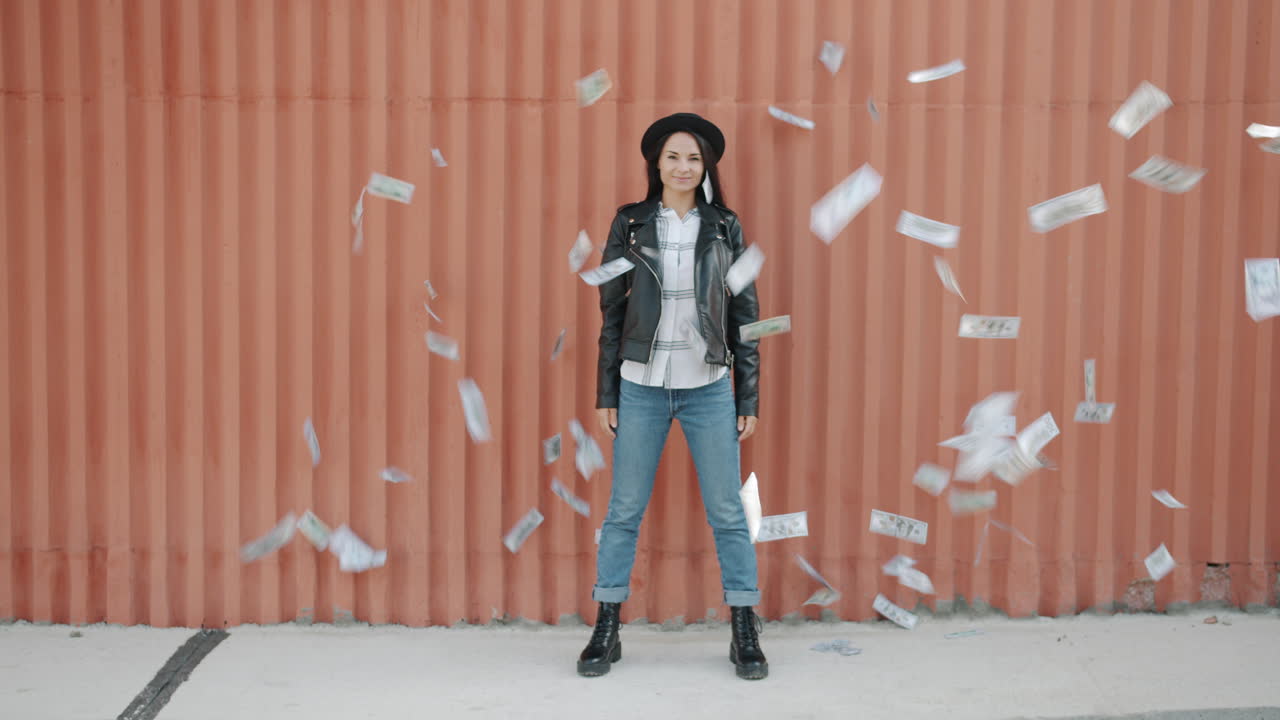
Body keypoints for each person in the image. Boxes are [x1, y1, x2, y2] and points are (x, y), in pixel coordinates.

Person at [577, 113, 766, 680]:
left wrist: (746, 398)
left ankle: (743, 627)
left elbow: (745, 315)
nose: (683, 167)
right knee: (624, 512)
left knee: (729, 513)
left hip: (708, 387)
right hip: (641, 387)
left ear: (705, 167)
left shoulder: (725, 226)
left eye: (694, 159)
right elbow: (611, 311)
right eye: (673, 157)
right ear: (656, 164)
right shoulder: (629, 224)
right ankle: (606, 628)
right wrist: (607, 387)